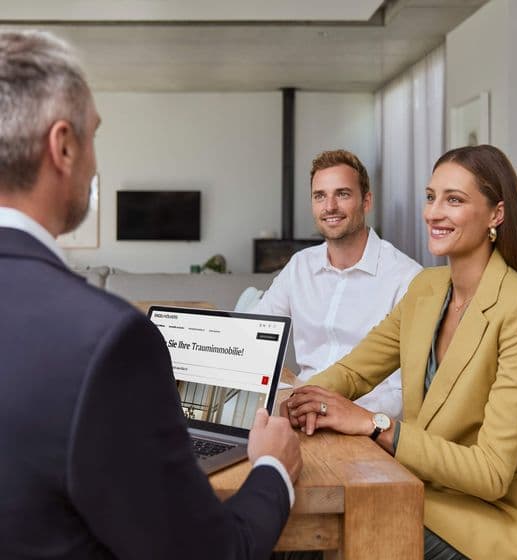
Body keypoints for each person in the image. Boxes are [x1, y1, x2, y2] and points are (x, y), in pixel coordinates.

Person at [0, 30, 301, 559]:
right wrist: (275, 467)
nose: (95, 164)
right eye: (94, 138)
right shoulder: (108, 340)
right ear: (63, 146)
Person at [285, 145, 517, 559]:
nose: (433, 213)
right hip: (429, 492)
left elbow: (491, 474)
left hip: (498, 522)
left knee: (326, 530)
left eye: (454, 200)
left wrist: (372, 424)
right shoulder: (427, 289)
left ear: (496, 214)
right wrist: (298, 401)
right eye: (431, 196)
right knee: (290, 516)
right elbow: (354, 372)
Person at [251, 149, 421, 419]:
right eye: (320, 196)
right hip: (302, 412)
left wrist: (340, 414)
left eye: (342, 194)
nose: (329, 206)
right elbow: (255, 332)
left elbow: (405, 390)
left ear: (366, 202)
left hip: (363, 426)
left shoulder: (407, 278)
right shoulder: (300, 266)